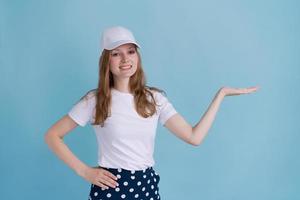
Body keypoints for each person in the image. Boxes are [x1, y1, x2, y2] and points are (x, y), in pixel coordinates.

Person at [44, 26, 260, 200]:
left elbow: (194, 137)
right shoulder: (95, 100)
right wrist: (85, 172)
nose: (125, 59)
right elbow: (52, 135)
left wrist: (220, 95)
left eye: (130, 51)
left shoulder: (154, 99)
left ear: (137, 56)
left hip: (146, 185)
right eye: (116, 54)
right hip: (111, 187)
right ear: (106, 62)